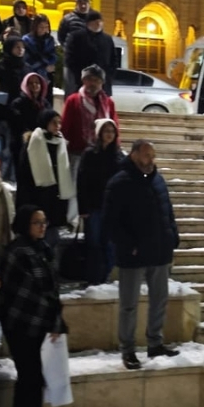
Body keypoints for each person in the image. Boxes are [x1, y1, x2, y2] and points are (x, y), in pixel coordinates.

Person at [103, 140, 180, 369]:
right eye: (147, 155)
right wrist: (128, 245)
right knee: (129, 304)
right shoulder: (119, 182)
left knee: (159, 300)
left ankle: (155, 342)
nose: (150, 161)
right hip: (133, 254)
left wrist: (172, 237)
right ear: (135, 155)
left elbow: (168, 211)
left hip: (159, 250)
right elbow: (110, 222)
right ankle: (127, 349)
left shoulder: (157, 179)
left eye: (153, 156)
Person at [0, 205, 67, 407]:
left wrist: (55, 320)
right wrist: (51, 316)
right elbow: (25, 292)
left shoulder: (43, 249)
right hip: (21, 325)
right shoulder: (16, 252)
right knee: (29, 380)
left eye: (44, 222)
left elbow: (52, 288)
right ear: (26, 224)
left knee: (35, 382)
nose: (42, 226)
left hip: (41, 324)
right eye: (37, 222)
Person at [77, 119, 124, 285]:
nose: (109, 134)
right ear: (99, 133)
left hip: (112, 208)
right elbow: (81, 181)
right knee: (94, 243)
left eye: (112, 131)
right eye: (106, 131)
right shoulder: (90, 154)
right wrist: (83, 207)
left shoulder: (119, 156)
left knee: (110, 244)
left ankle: (105, 276)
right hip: (94, 206)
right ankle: (94, 278)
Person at [17, 109, 75, 239]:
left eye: (59, 123)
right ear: (45, 123)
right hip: (36, 196)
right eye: (54, 122)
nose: (57, 126)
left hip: (55, 199)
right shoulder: (33, 143)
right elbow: (24, 173)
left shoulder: (60, 142)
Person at [60, 65, 118, 161]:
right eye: (89, 80)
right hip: (78, 152)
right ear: (83, 81)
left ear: (102, 83)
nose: (93, 83)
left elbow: (114, 126)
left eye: (97, 80)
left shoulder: (108, 103)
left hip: (102, 151)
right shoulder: (73, 100)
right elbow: (65, 126)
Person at [21, 16, 59, 89]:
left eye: (46, 27)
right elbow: (26, 58)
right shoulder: (26, 39)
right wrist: (43, 65)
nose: (44, 29)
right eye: (41, 27)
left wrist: (50, 63)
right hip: (31, 71)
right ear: (35, 26)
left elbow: (53, 55)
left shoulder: (50, 39)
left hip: (47, 72)